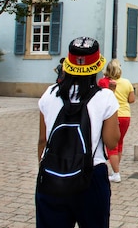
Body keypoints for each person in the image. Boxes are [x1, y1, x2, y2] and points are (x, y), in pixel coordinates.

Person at [36, 36, 120, 228]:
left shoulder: (49, 94)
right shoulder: (105, 97)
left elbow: (43, 140)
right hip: (90, 175)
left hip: (52, 174)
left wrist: (44, 170)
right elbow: (111, 142)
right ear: (97, 66)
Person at [98, 59, 135, 183]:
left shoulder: (103, 82)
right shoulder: (127, 82)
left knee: (111, 145)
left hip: (112, 116)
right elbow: (131, 99)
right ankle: (115, 170)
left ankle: (116, 173)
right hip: (125, 115)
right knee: (119, 143)